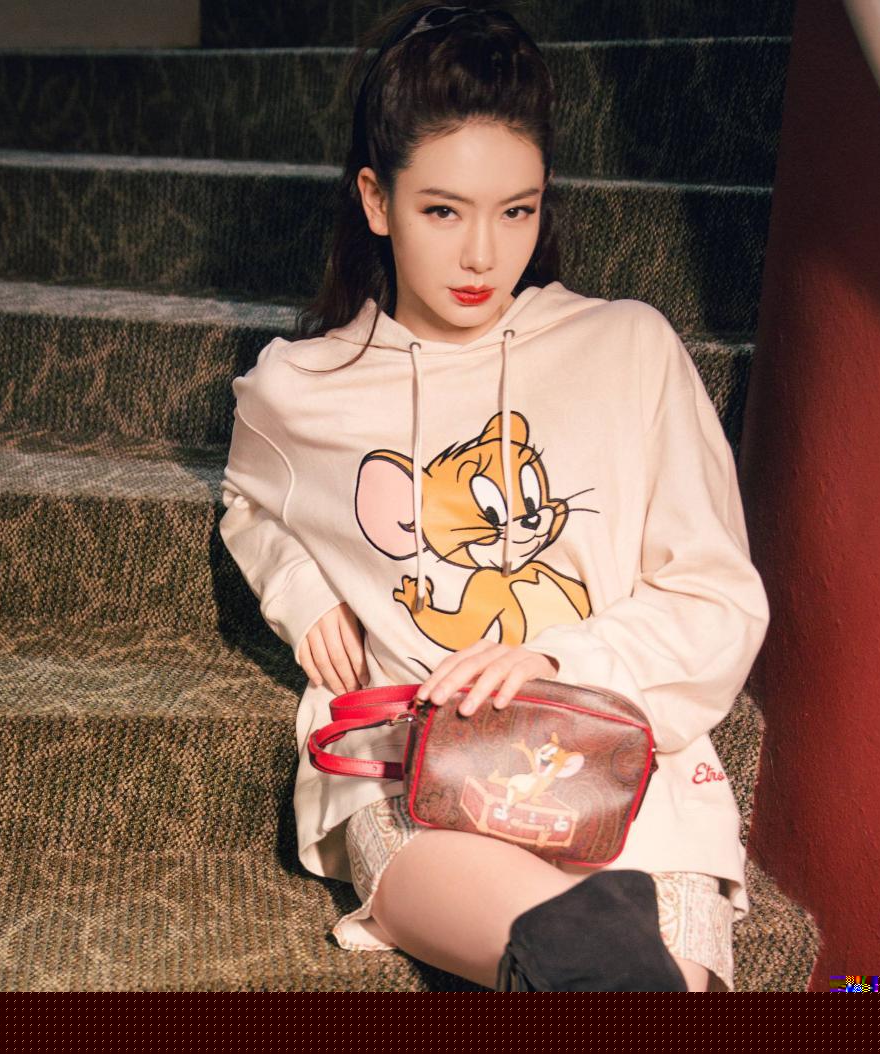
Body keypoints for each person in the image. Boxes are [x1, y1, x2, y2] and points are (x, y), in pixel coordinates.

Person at [218, 3, 769, 991]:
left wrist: (558, 660)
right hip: (418, 777)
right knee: (590, 961)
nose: (482, 254)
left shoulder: (629, 350)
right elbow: (246, 500)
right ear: (376, 201)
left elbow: (718, 599)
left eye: (516, 210)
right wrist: (300, 587)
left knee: (641, 983)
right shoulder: (300, 388)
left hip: (628, 777)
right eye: (443, 210)